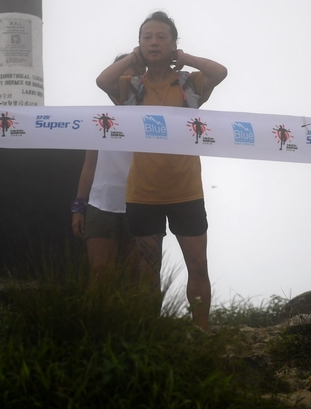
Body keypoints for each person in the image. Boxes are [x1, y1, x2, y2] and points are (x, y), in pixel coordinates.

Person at [96, 11, 227, 329]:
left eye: (161, 37)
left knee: (198, 266)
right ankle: (150, 335)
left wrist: (185, 58)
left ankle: (201, 334)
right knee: (148, 272)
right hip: (143, 194)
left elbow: (220, 72)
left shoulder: (189, 84)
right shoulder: (131, 88)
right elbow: (102, 81)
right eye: (147, 38)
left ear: (173, 43)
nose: (153, 42)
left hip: (186, 192)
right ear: (139, 44)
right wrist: (132, 59)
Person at [72, 56, 140, 284]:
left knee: (136, 278)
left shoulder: (152, 118)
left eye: (132, 75)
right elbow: (89, 165)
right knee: (100, 275)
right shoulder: (100, 119)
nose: (126, 80)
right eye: (121, 75)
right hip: (101, 206)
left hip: (141, 205)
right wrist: (79, 207)